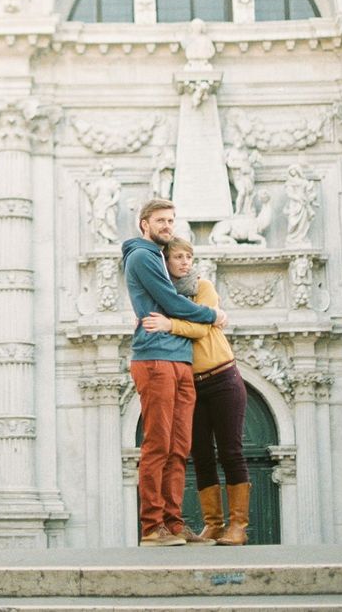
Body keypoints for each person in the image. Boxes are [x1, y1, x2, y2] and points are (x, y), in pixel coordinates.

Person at [122, 198, 227, 546]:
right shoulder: (141, 256)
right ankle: (152, 527)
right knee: (158, 444)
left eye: (171, 220)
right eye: (160, 221)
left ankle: (174, 523)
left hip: (180, 359)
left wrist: (184, 319)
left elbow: (176, 303)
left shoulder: (161, 259)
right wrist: (211, 315)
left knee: (179, 446)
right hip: (154, 359)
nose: (168, 226)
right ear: (144, 224)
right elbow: (170, 302)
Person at [142, 237, 250, 545]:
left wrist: (169, 325)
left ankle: (238, 526)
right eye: (178, 256)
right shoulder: (163, 296)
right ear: (165, 262)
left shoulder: (203, 288)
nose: (185, 262)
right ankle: (213, 524)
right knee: (201, 455)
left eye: (189, 256)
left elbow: (203, 327)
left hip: (223, 378)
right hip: (192, 384)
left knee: (231, 451)